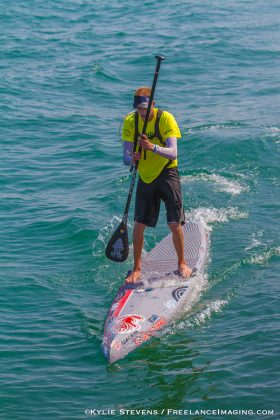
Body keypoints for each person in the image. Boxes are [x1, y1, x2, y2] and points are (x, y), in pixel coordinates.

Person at [122, 87, 193, 283]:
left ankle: (182, 263)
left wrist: (151, 147)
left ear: (153, 104)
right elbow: (125, 158)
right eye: (139, 109)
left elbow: (173, 153)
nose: (142, 113)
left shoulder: (166, 118)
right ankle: (136, 269)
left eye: (145, 109)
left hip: (167, 171)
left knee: (173, 222)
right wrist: (132, 157)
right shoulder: (130, 121)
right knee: (139, 224)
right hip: (145, 176)